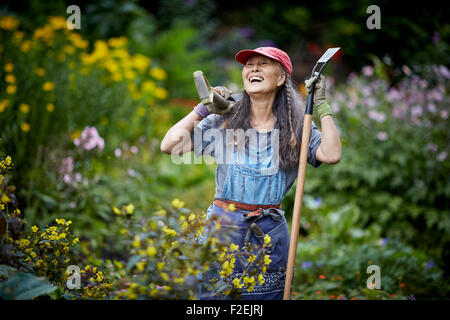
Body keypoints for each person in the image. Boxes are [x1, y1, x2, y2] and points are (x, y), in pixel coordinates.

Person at [160, 47, 342, 299]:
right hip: (223, 228)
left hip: (268, 235)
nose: (253, 68)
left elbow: (331, 154)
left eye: (263, 64)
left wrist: (321, 106)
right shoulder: (225, 120)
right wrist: (202, 111)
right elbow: (168, 145)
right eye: (249, 64)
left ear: (281, 79)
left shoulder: (297, 127)